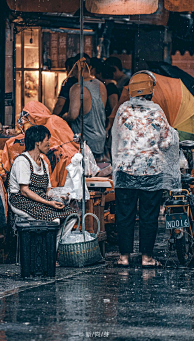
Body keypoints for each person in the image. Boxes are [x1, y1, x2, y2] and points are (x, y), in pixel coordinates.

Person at [112, 71, 181, 268]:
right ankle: (147, 258)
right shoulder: (156, 112)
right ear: (150, 91)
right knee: (148, 215)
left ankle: (124, 257)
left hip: (125, 171)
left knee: (125, 214)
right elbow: (167, 143)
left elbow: (116, 137)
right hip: (151, 172)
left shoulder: (123, 110)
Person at [8, 125, 76, 221]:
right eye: (47, 140)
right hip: (21, 200)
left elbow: (48, 191)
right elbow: (24, 191)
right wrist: (48, 203)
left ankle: (57, 236)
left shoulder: (43, 163)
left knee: (71, 214)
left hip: (39, 199)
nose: (49, 144)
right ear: (37, 142)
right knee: (54, 218)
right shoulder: (22, 161)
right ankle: (51, 236)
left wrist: (58, 197)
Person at [63, 60, 107, 159]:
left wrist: (63, 116)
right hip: (100, 139)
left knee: (84, 172)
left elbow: (73, 115)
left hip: (85, 140)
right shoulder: (101, 85)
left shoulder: (77, 88)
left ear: (75, 69)